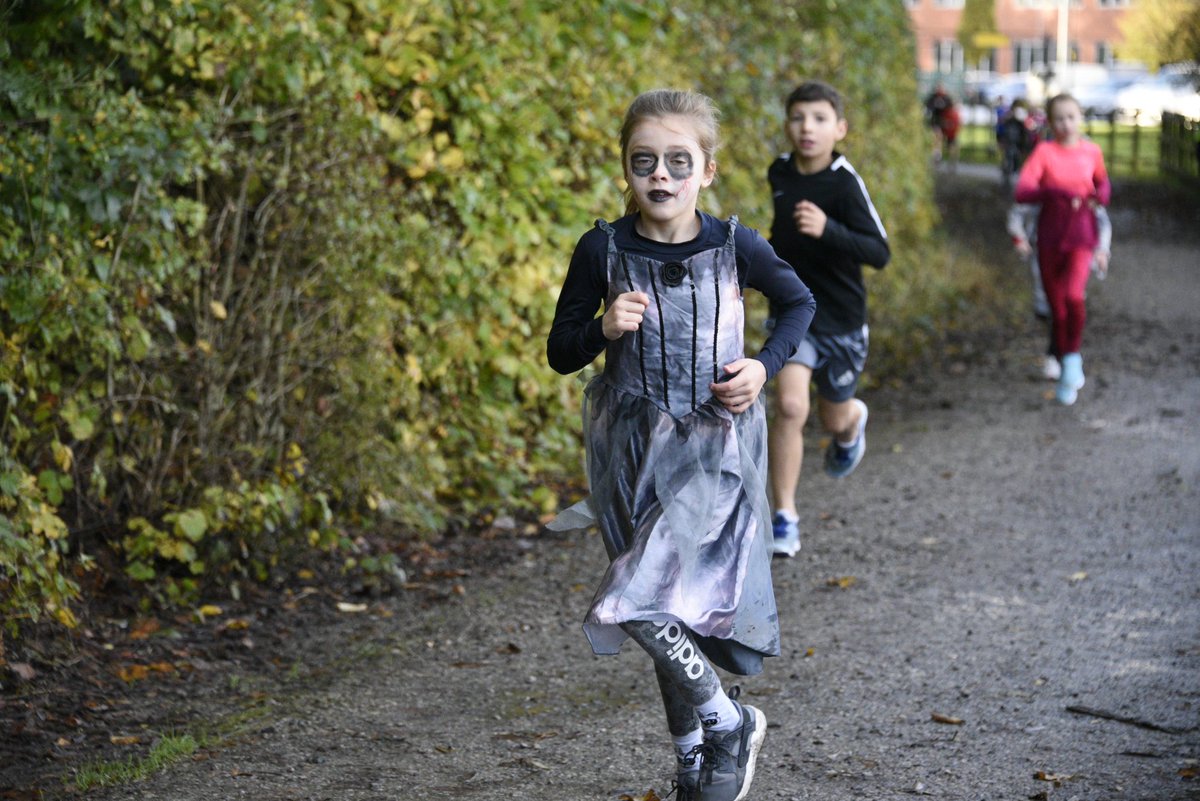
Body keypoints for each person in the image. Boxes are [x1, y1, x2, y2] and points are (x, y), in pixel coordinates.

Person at [546, 89, 815, 801]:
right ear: (625, 171)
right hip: (631, 451)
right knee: (668, 603)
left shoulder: (735, 245)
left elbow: (799, 303)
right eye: (644, 162)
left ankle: (729, 721)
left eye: (676, 162)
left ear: (707, 170)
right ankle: (692, 759)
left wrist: (763, 365)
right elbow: (559, 351)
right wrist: (602, 329)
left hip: (715, 447)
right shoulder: (602, 248)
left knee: (636, 602)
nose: (659, 176)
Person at [764, 80, 890, 558]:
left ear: (839, 128)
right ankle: (785, 518)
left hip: (841, 321)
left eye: (818, 119)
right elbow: (779, 236)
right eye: (798, 118)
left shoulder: (844, 182)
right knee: (791, 407)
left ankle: (852, 420)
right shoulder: (778, 172)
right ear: (787, 125)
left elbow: (879, 252)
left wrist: (828, 229)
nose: (807, 128)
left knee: (830, 415)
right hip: (794, 312)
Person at [1014, 93, 1111, 405]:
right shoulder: (1044, 153)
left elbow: (1103, 184)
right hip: (1050, 239)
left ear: (1080, 117)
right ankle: (1068, 368)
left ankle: (1071, 360)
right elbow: (1023, 190)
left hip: (1082, 237)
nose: (1066, 124)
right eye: (1059, 118)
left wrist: (1101, 194)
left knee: (1073, 297)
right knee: (1056, 308)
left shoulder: (1092, 152)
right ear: (1050, 122)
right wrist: (1054, 190)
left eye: (1072, 116)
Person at [1007, 200, 1112, 379]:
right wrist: (1019, 238)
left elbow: (1102, 221)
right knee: (1049, 307)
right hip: (1045, 251)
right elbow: (1017, 212)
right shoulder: (1043, 190)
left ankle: (1062, 356)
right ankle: (1061, 354)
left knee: (1070, 301)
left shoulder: (1086, 189)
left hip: (1077, 253)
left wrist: (1102, 250)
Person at [996, 98, 1037, 189]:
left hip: (1020, 145)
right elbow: (1001, 129)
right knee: (1009, 163)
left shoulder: (1025, 119)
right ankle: (1007, 184)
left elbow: (1030, 131)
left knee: (1018, 164)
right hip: (1010, 144)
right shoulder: (1008, 118)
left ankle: (1017, 184)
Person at [924, 82, 953, 162]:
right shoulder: (932, 98)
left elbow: (951, 111)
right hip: (936, 122)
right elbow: (928, 108)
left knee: (950, 140)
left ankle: (950, 156)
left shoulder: (947, 99)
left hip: (947, 122)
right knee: (937, 135)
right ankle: (937, 153)